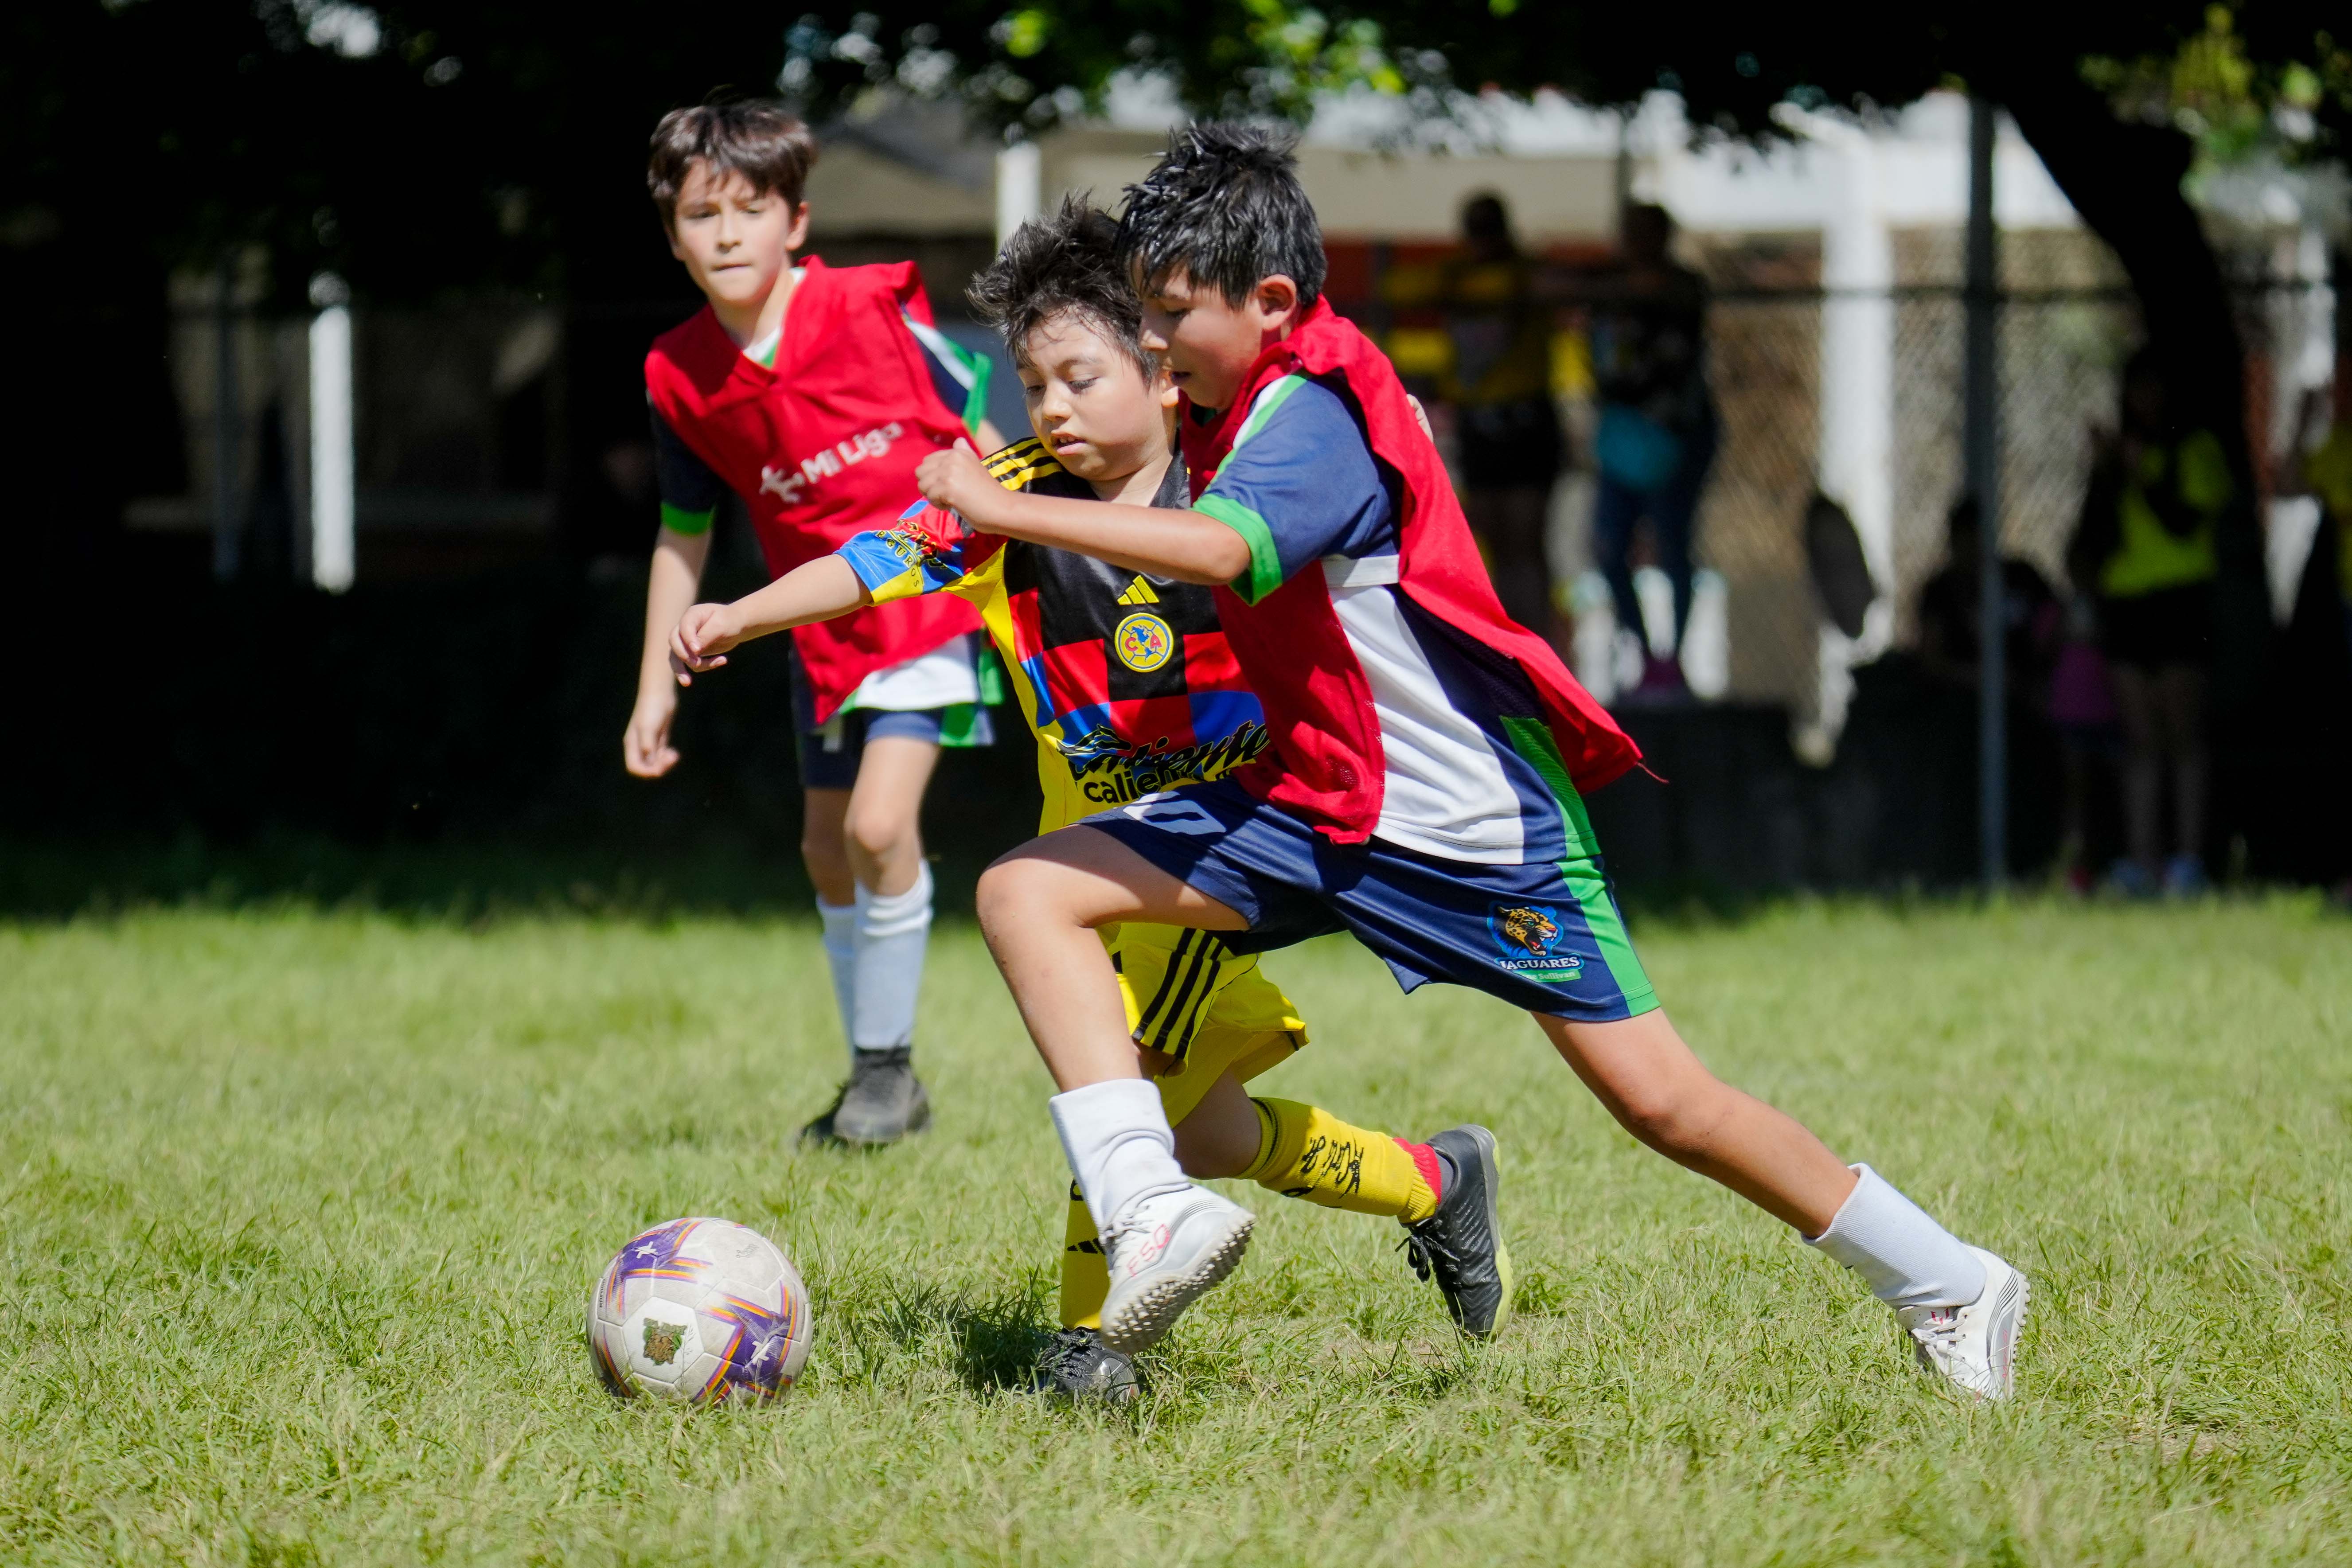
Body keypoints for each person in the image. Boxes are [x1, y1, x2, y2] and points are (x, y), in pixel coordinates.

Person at [908, 124, 2030, 1400]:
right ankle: (1146, 1205)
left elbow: (1218, 557)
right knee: (1025, 890)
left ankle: (1948, 1279)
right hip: (1315, 806)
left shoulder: (1314, 414)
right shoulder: (1235, 398)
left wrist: (998, 508)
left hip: (1465, 824)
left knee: (1666, 1106)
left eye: (1172, 314)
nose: (1154, 342)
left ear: (1272, 304)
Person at [663, 197, 1508, 1402]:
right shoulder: (1010, 494)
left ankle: (1089, 1344)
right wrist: (742, 615)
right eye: (1033, 385)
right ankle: (1434, 1181)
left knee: (1122, 1093)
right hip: (1098, 867)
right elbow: (873, 562)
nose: (1050, 409)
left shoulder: (1231, 498)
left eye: (1078, 378)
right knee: (1202, 1131)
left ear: (1163, 375)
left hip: (1227, 855)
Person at [620, 102, 1005, 1145]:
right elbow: (683, 533)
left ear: (798, 219)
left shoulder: (874, 308)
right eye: (704, 213)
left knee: (881, 828)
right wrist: (656, 685)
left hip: (929, 598)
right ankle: (880, 1085)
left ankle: (885, 1072)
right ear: (673, 234)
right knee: (825, 848)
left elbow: (984, 431)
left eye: (753, 208)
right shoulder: (678, 374)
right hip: (816, 628)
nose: (730, 232)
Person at [2066, 348, 2229, 898]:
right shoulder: (2117, 460)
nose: (2145, 401)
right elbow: (2092, 537)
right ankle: (2144, 859)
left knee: (2182, 733)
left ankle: (2188, 861)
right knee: (2140, 739)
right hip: (2128, 607)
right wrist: (2109, 472)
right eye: (2137, 389)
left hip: (2181, 603)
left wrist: (2139, 472)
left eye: (2154, 388)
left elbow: (2183, 523)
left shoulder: (2196, 449)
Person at [1384, 193, 1569, 655]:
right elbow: (1393, 287)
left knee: (1525, 538)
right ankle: (1503, 640)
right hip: (1478, 421)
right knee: (1487, 530)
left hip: (1525, 416)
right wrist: (1459, 288)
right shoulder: (1457, 276)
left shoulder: (1524, 275)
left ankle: (1536, 643)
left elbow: (1554, 286)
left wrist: (1485, 291)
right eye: (1475, 230)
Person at [1580, 203, 1717, 702]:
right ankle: (1643, 653)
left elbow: (1675, 342)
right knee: (1610, 548)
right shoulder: (1608, 290)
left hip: (1674, 438)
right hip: (1622, 441)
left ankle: (1673, 659)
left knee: (1674, 544)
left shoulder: (1683, 288)